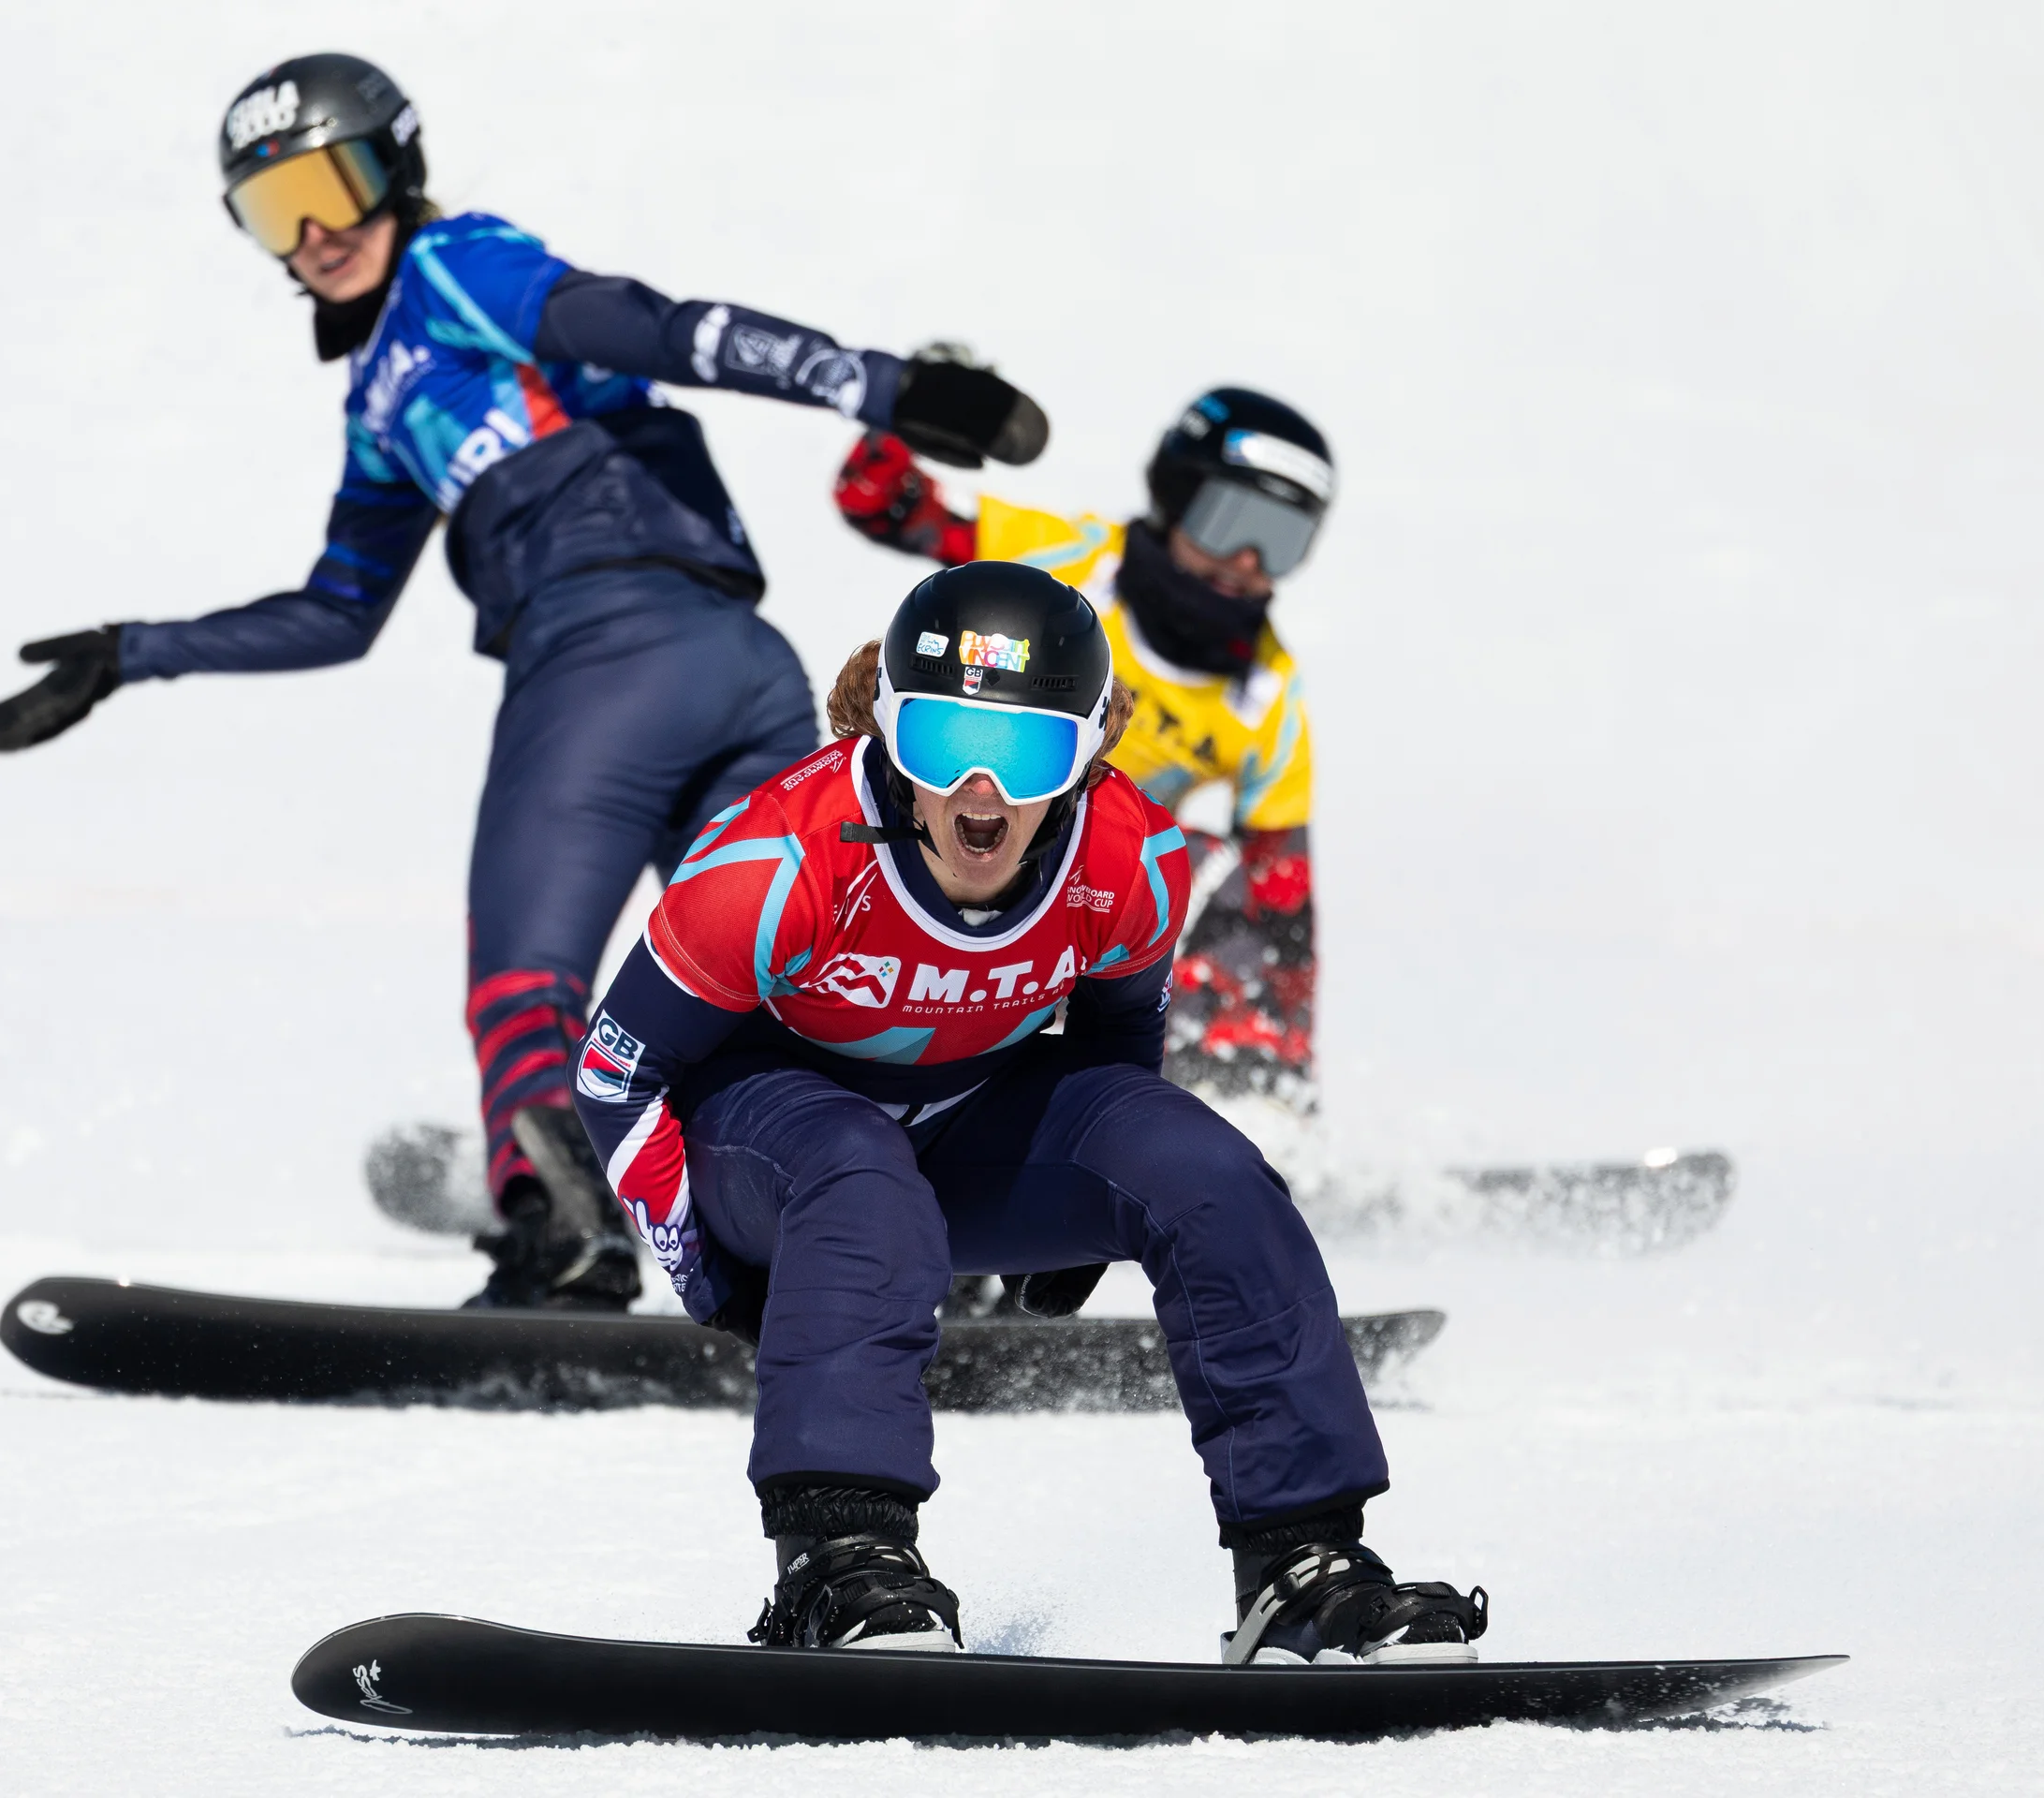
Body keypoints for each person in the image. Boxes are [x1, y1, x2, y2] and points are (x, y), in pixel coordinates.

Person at [0, 53, 1046, 1309]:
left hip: (601, 666)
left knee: (523, 981)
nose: (315, 235)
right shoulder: (382, 403)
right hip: (744, 667)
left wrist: (888, 388)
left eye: (333, 184)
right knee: (795, 979)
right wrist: (130, 653)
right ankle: (906, 1225)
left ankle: (564, 1234)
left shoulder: (457, 267)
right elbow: (338, 609)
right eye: (273, 212)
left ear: (401, 165)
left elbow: (653, 328)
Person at [571, 561, 1485, 1662]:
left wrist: (1100, 1208)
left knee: (1207, 1173)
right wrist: (711, 1277)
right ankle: (839, 1564)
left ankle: (1301, 1569)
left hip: (963, 1131)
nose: (981, 795)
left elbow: (1113, 1050)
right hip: (768, 1137)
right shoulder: (775, 864)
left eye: (1026, 753)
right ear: (887, 737)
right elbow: (618, 1076)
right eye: (942, 746)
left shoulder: (1132, 860)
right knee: (859, 1173)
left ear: (1090, 751)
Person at [831, 390, 1328, 1113]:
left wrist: (1288, 1063)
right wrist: (910, 412)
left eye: (1281, 540)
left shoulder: (1267, 692)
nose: (1247, 561)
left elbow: (1283, 899)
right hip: (945, 819)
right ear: (1175, 496)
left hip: (1070, 881)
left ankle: (1231, 1100)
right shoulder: (1069, 563)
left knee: (1202, 870)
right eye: (1229, 522)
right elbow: (879, 501)